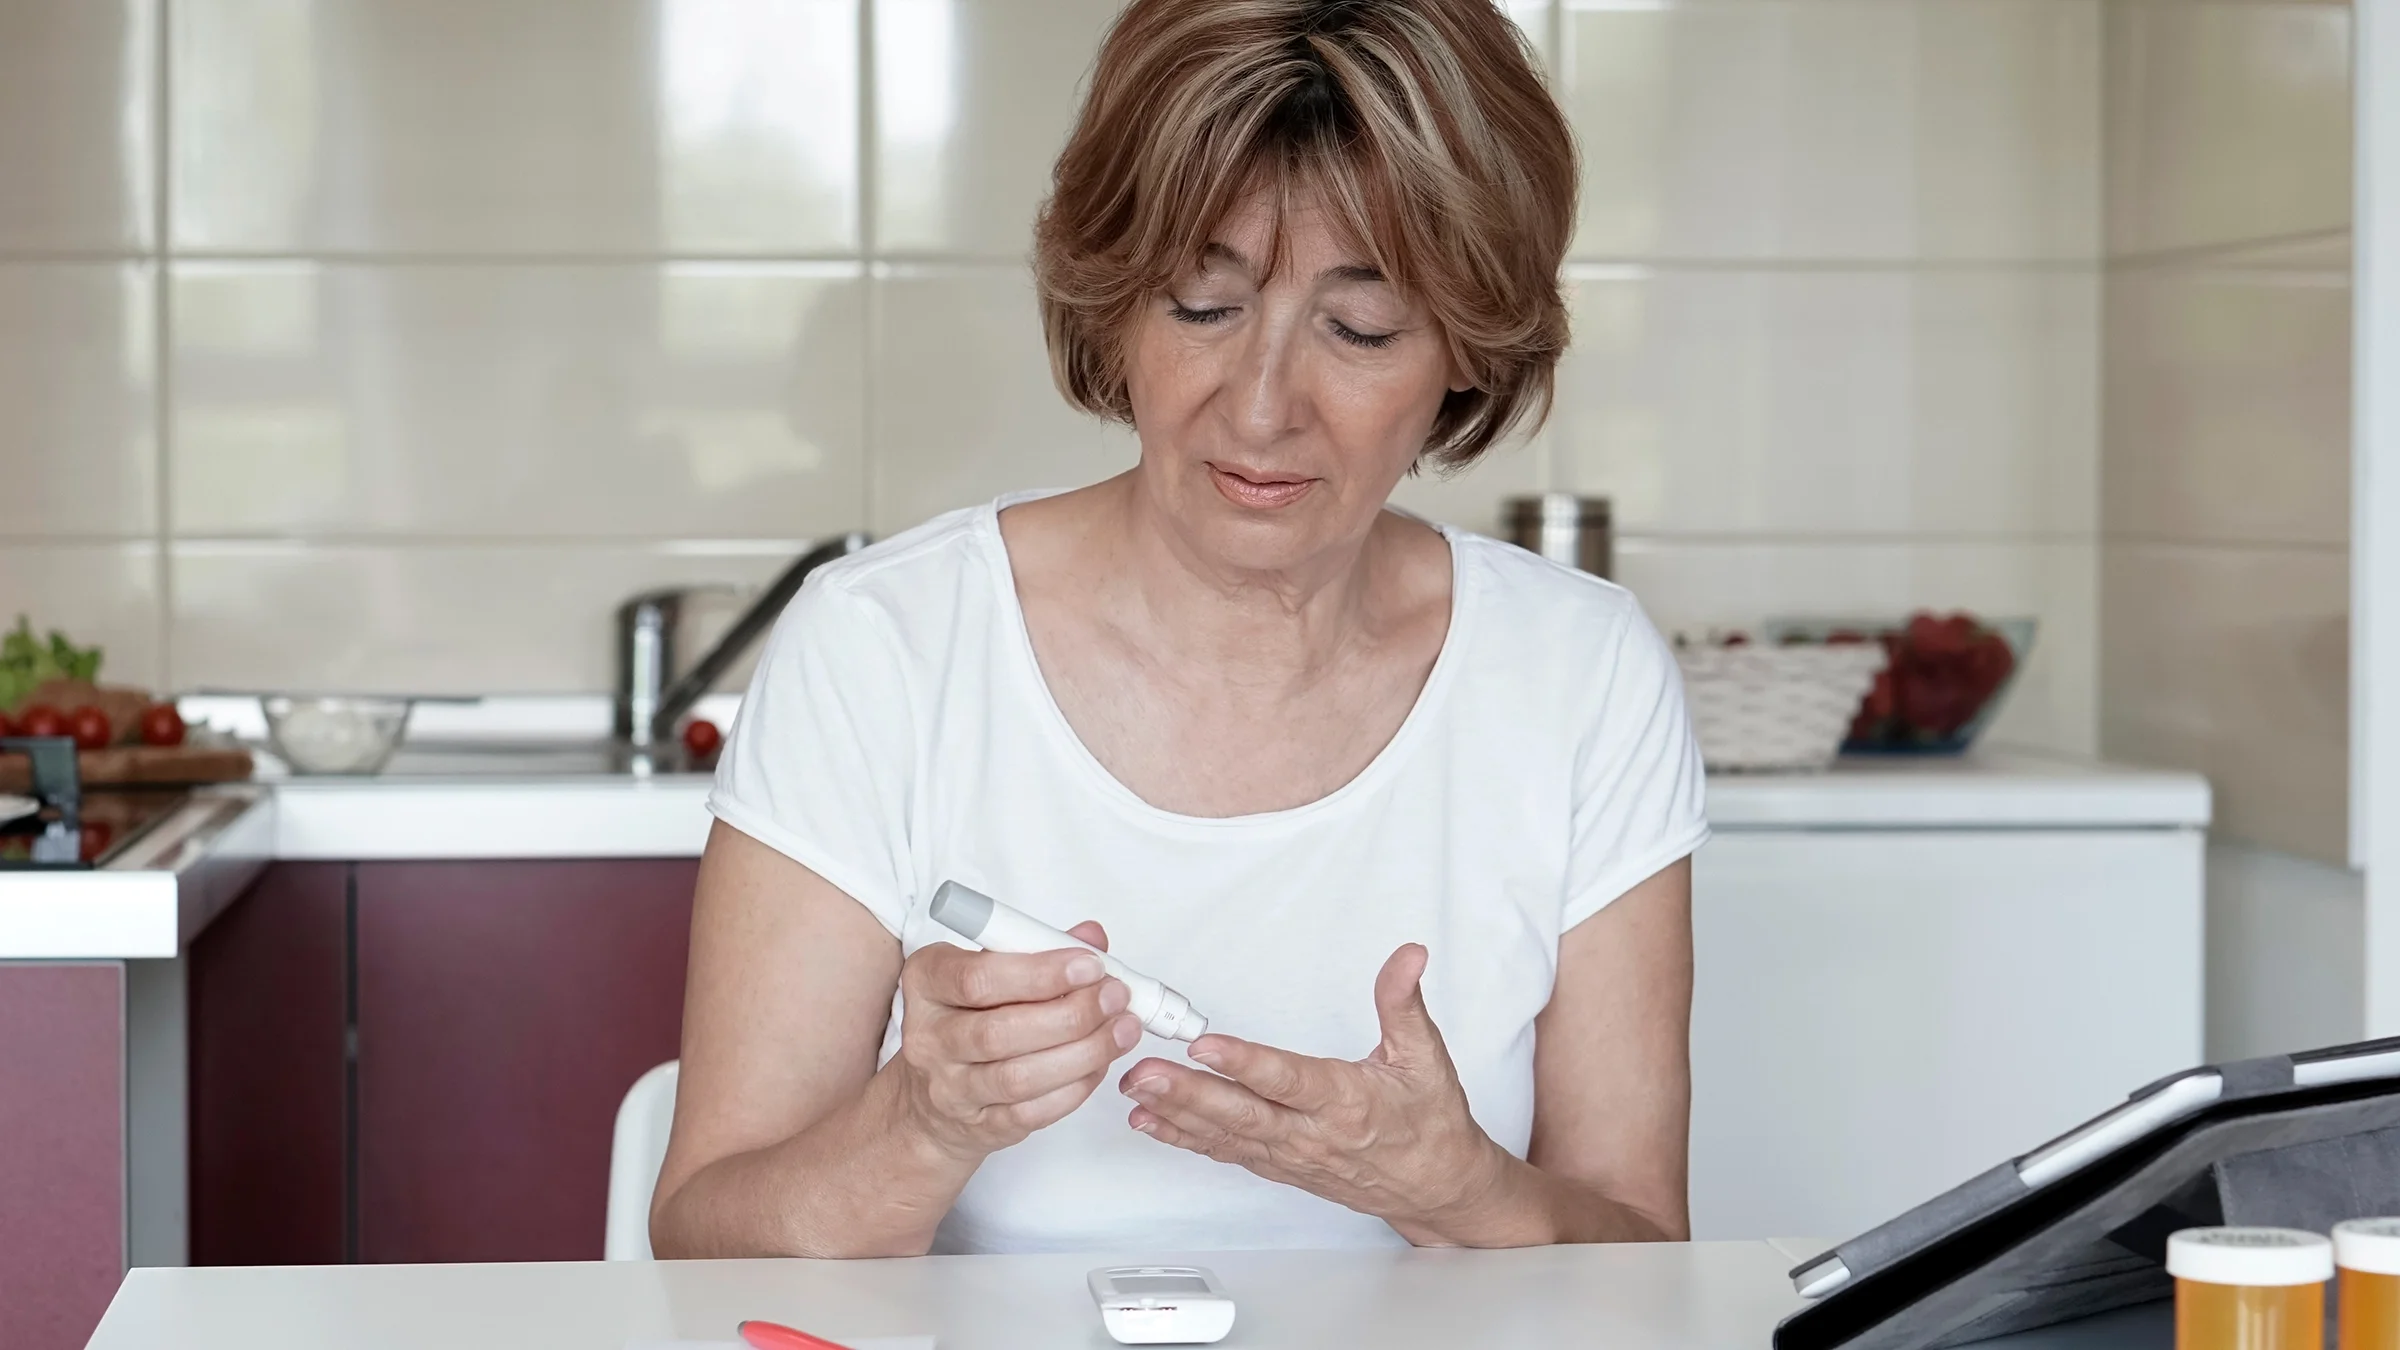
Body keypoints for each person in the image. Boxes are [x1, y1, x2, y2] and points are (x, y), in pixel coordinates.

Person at [650, 0, 1707, 1258]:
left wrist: (1458, 1189)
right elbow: (705, 1241)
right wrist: (920, 1123)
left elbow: (1644, 1263)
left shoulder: (1580, 677)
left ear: (1466, 347)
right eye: (1203, 308)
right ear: (1114, 302)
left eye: (1361, 331)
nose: (1261, 411)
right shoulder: (883, 648)